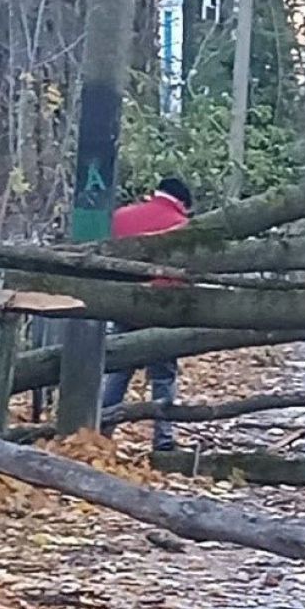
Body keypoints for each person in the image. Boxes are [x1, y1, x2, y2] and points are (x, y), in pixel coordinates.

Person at [101, 177, 192, 452]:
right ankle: (162, 439)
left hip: (125, 303)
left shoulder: (121, 217)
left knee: (119, 370)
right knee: (163, 377)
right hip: (162, 309)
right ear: (183, 202)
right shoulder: (183, 226)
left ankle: (100, 430)